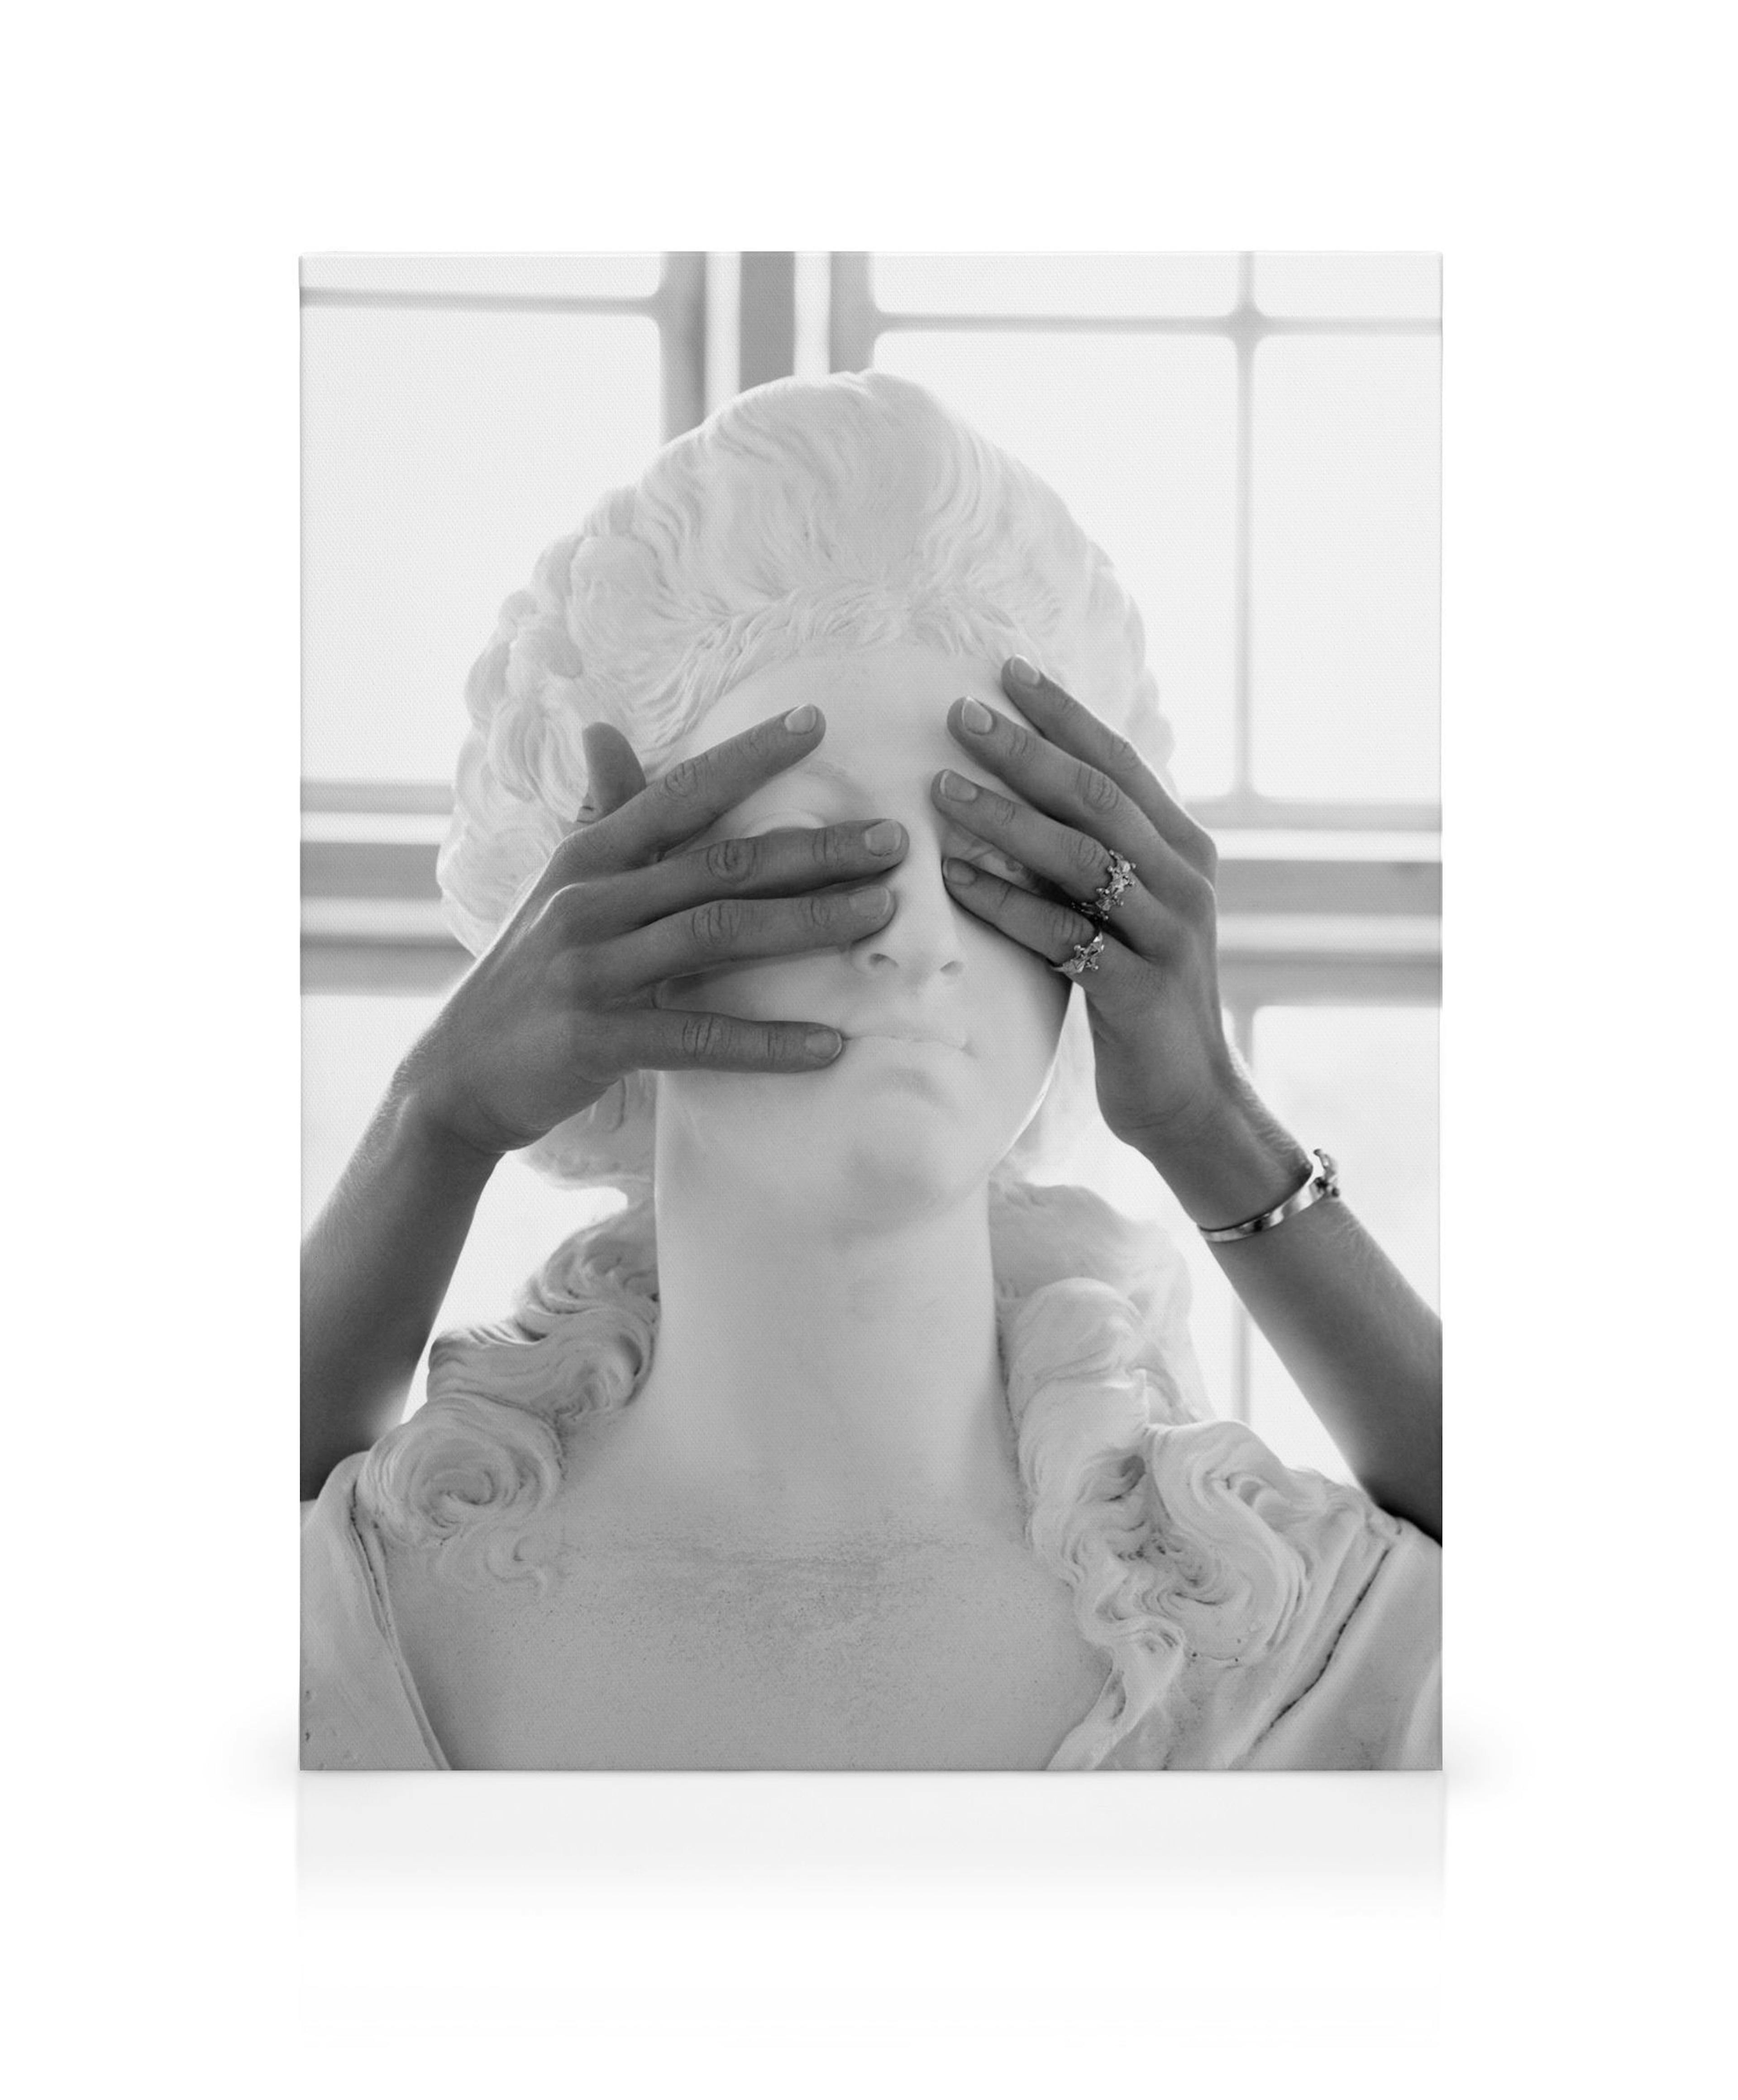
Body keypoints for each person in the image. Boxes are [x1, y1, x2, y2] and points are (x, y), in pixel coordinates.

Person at [301, 370, 1441, 1771]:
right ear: (597, 936)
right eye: (803, 860)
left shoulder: (1264, 1627)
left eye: (997, 864)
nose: (915, 937)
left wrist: (1213, 1125)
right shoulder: (399, 1609)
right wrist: (439, 1116)